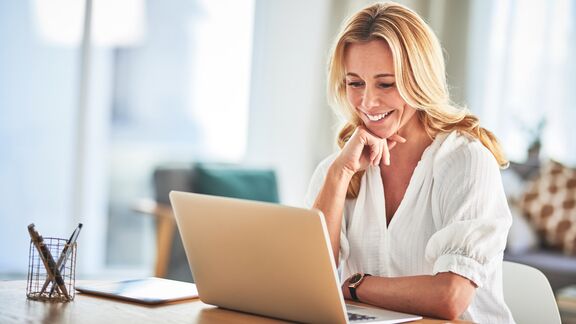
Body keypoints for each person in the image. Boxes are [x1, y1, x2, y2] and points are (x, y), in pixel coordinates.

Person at [306, 2, 514, 322]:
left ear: (419, 81)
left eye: (386, 83)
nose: (368, 102)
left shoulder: (466, 161)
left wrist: (357, 286)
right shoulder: (339, 169)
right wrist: (338, 175)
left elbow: (449, 296)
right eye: (355, 82)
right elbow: (307, 282)